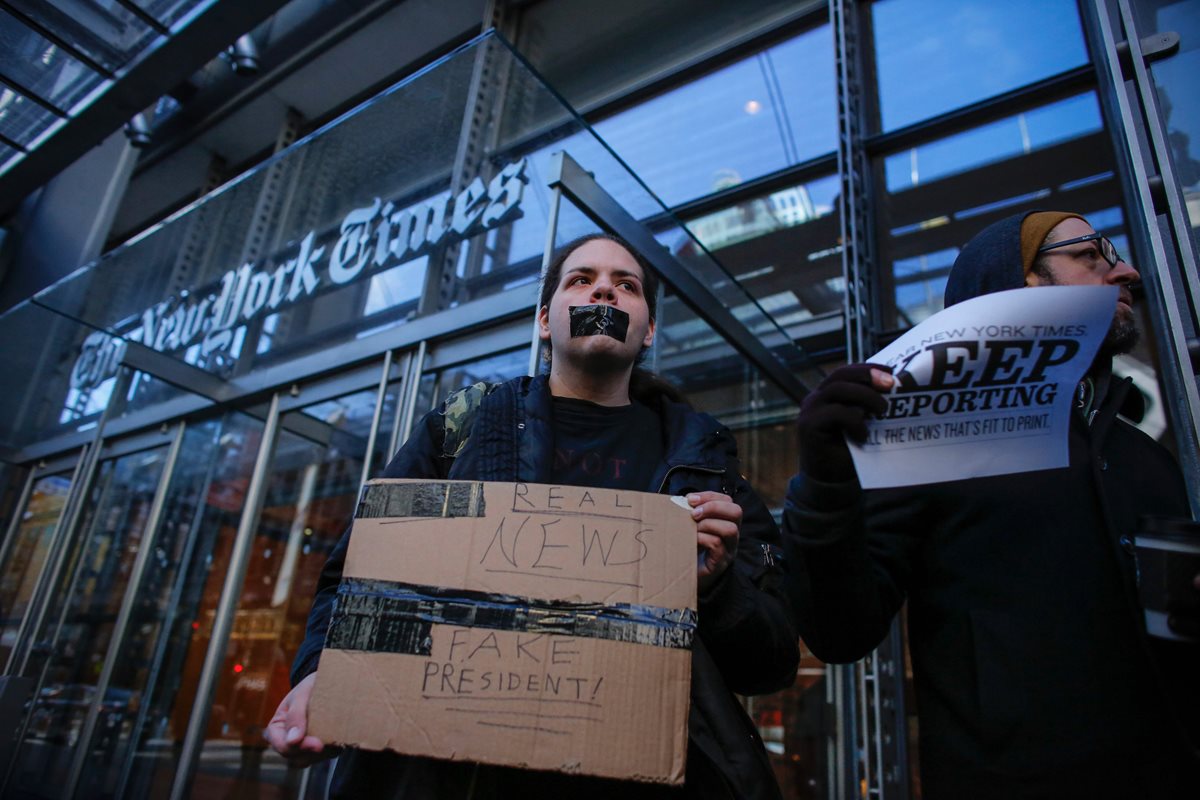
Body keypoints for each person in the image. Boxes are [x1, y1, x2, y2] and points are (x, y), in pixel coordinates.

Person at [265, 233, 799, 799]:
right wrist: (323, 673)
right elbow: (358, 575)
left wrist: (717, 593)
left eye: (627, 286)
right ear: (546, 321)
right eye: (581, 280)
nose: (604, 291)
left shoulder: (708, 464)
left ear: (649, 331)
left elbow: (771, 666)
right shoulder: (463, 429)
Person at [783, 211, 1200, 798]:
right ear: (1020, 282)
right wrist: (826, 483)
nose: (1125, 271)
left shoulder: (1151, 455)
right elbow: (842, 632)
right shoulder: (931, 438)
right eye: (1092, 253)